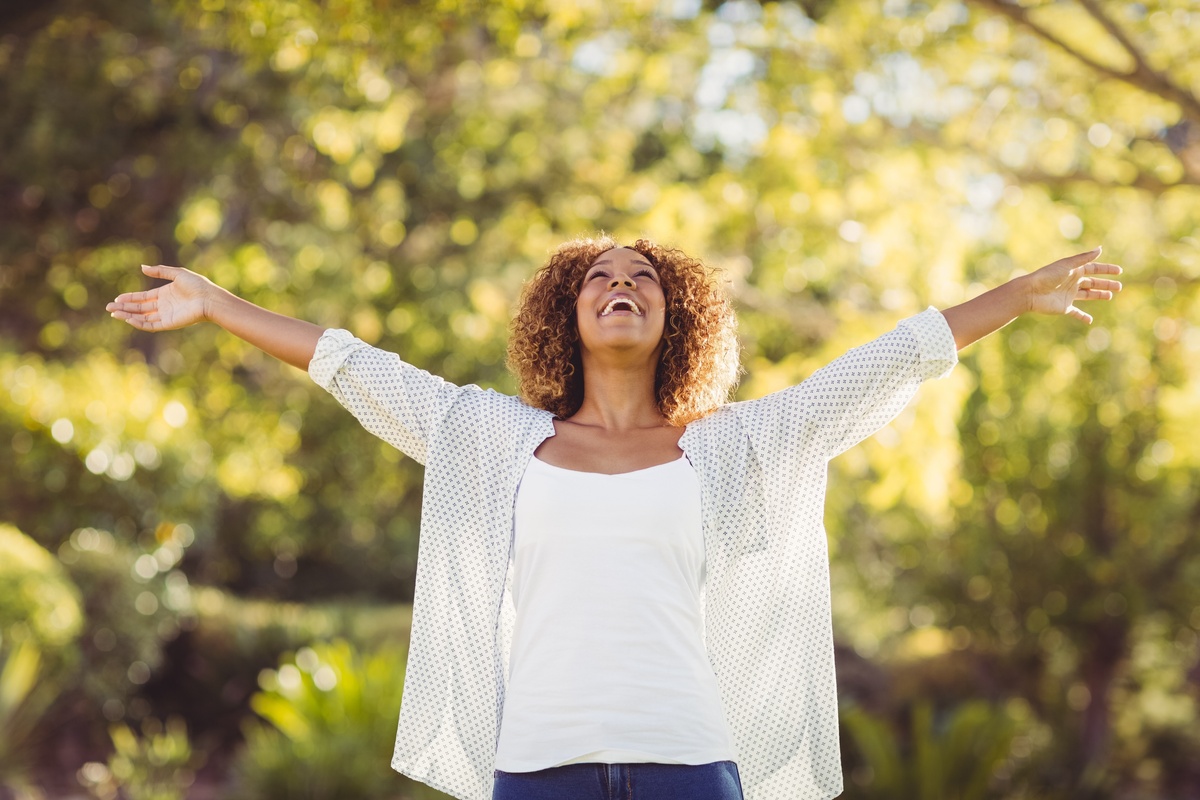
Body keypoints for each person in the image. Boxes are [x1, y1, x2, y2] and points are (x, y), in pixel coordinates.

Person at [107, 236, 1121, 800]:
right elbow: (349, 363)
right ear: (568, 315)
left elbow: (884, 363)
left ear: (677, 319)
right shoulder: (490, 438)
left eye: (643, 279)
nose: (622, 287)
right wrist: (219, 303)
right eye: (600, 277)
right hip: (537, 767)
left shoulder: (736, 446)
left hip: (693, 763)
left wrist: (1012, 297)